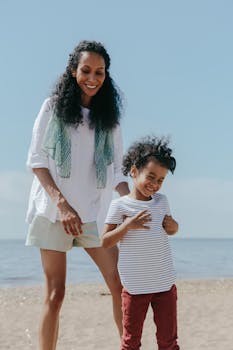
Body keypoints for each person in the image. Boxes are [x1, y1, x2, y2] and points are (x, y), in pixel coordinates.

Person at [25, 40, 129, 349]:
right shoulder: (52, 108)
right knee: (55, 294)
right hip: (53, 213)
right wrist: (62, 205)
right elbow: (37, 161)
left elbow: (118, 172)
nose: (92, 78)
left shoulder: (109, 120)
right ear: (73, 71)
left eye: (100, 72)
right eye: (86, 70)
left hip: (93, 215)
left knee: (119, 285)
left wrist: (130, 205)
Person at [102, 136, 180, 350]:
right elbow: (105, 241)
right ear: (134, 171)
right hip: (135, 288)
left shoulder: (162, 201)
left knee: (168, 342)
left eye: (161, 180)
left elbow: (170, 229)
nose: (155, 184)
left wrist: (174, 226)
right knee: (130, 342)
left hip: (164, 285)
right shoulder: (119, 206)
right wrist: (127, 226)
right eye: (151, 177)